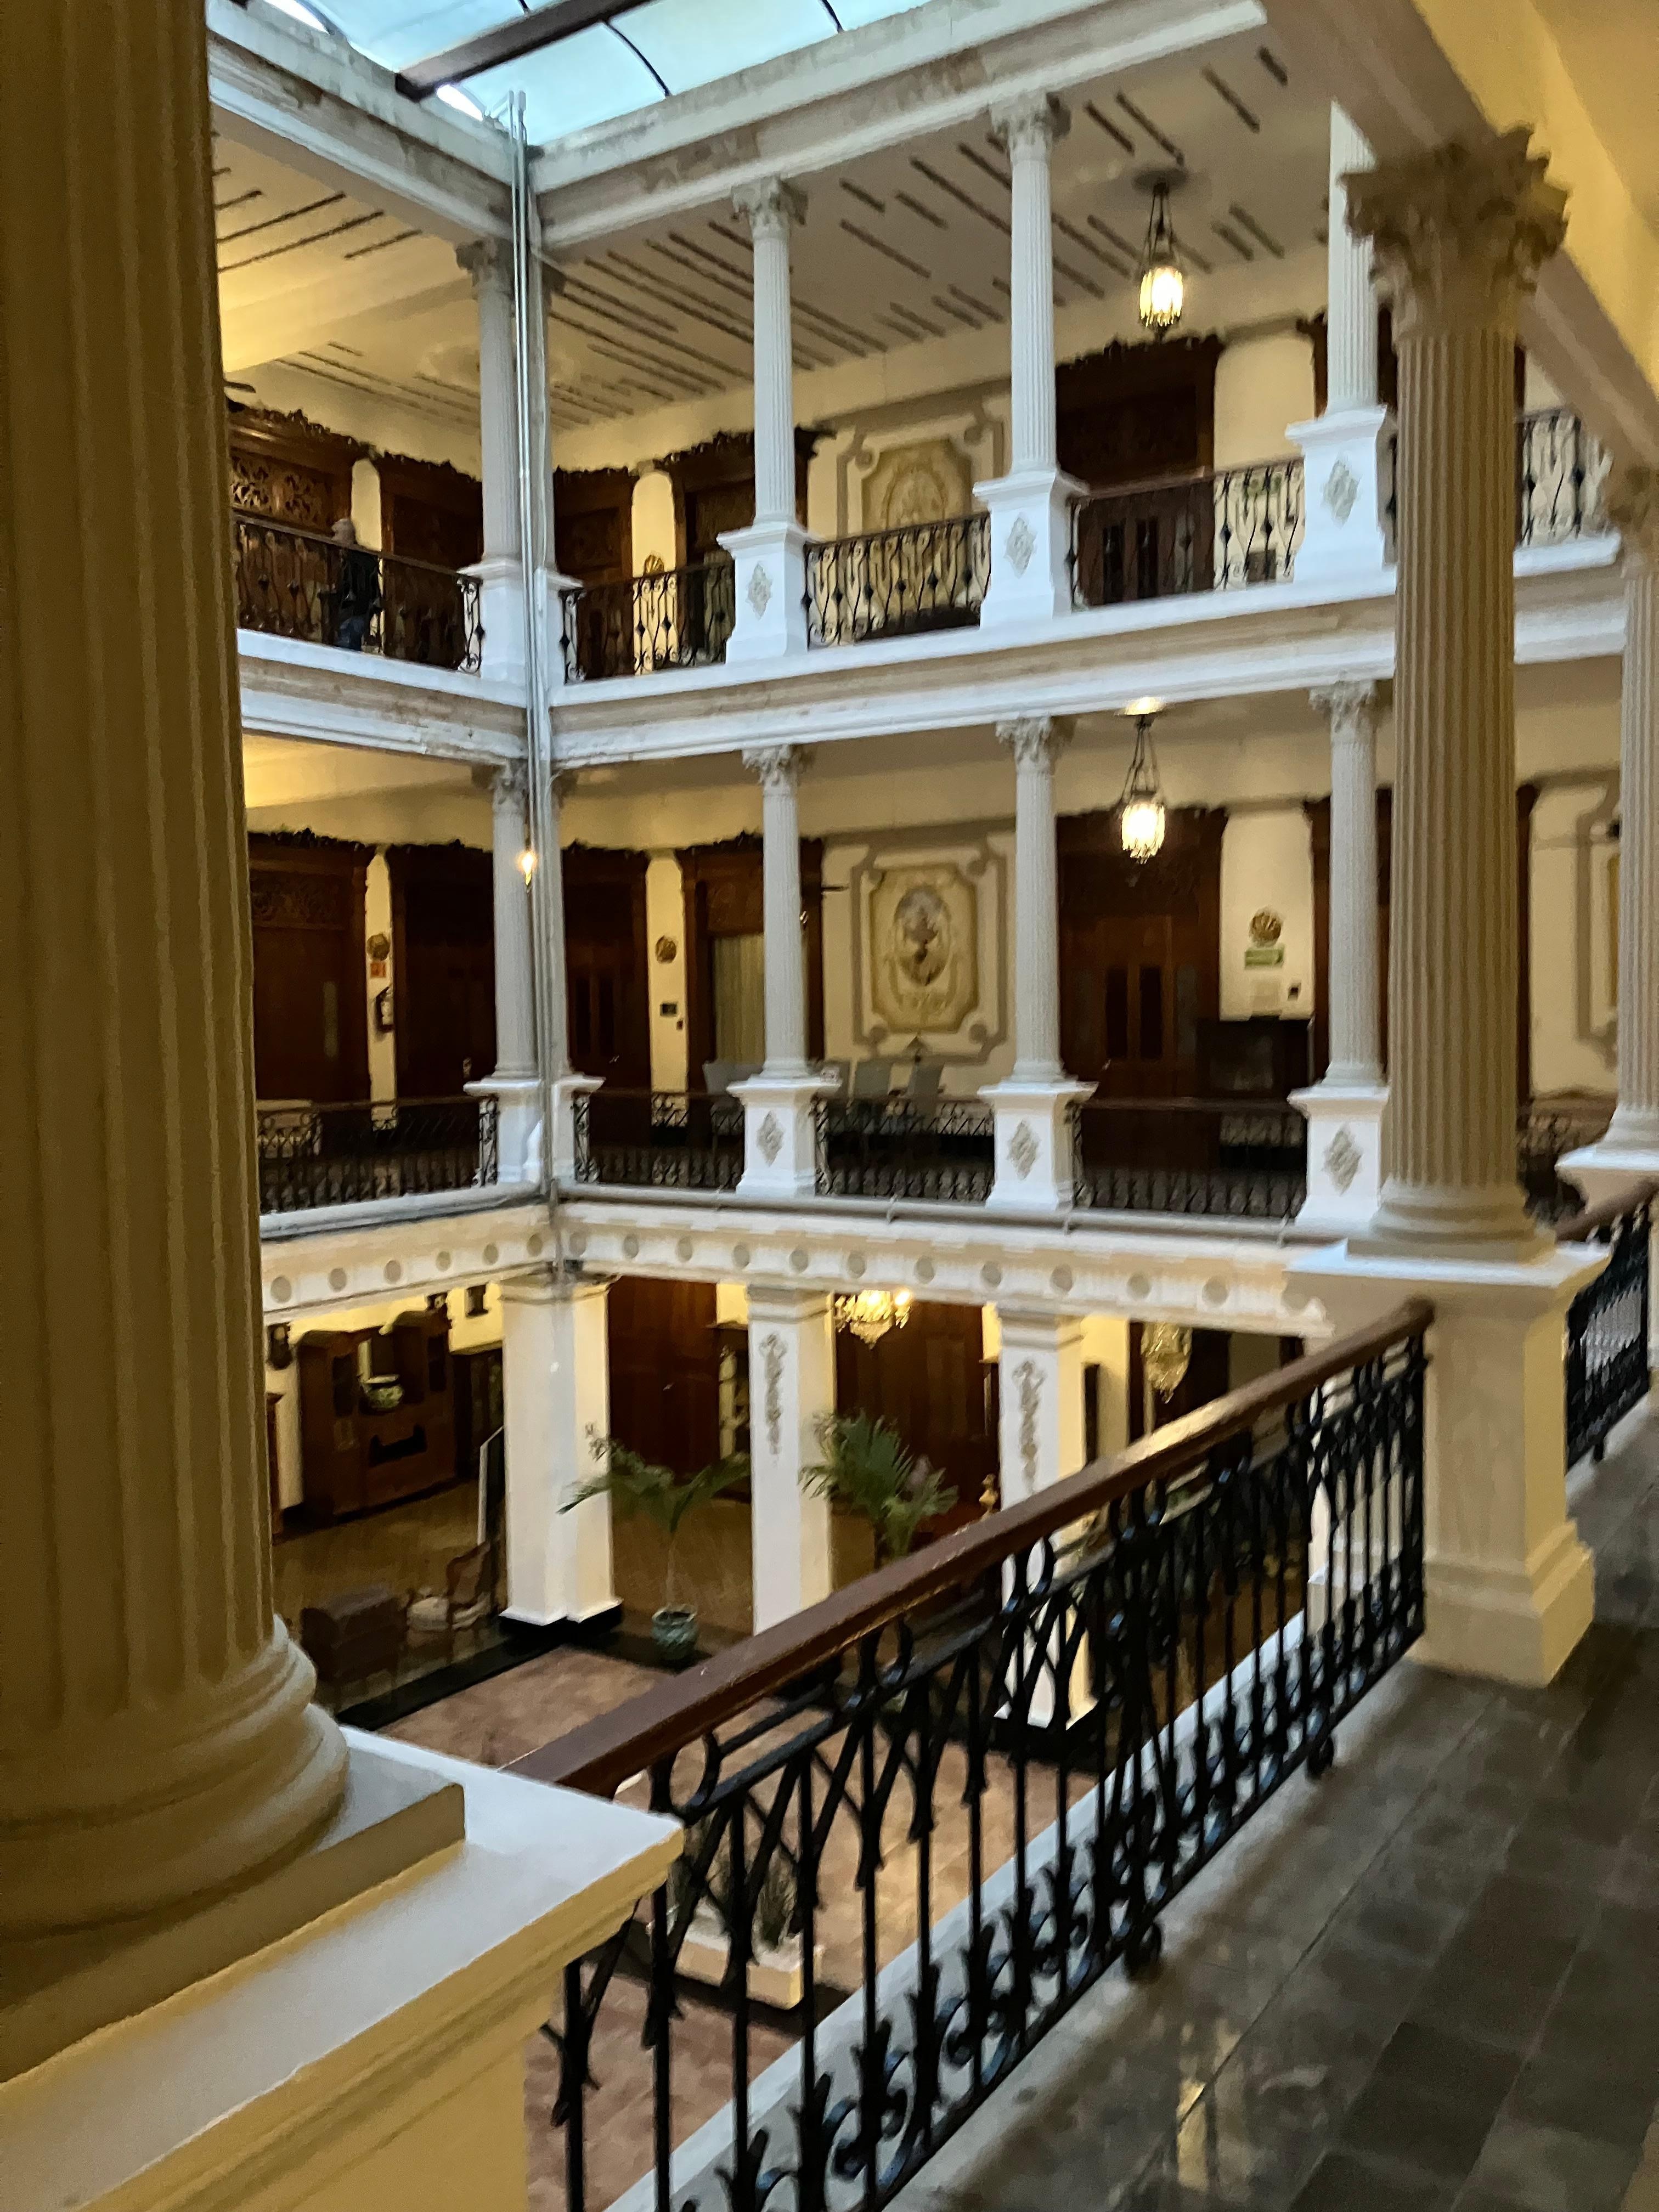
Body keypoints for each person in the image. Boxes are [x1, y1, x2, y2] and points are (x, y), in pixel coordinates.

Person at [329, 515, 380, 651]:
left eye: (336, 534)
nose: (333, 539)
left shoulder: (357, 558)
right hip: (356, 612)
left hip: (354, 612)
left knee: (347, 651)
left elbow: (358, 587)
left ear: (346, 535)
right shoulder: (362, 557)